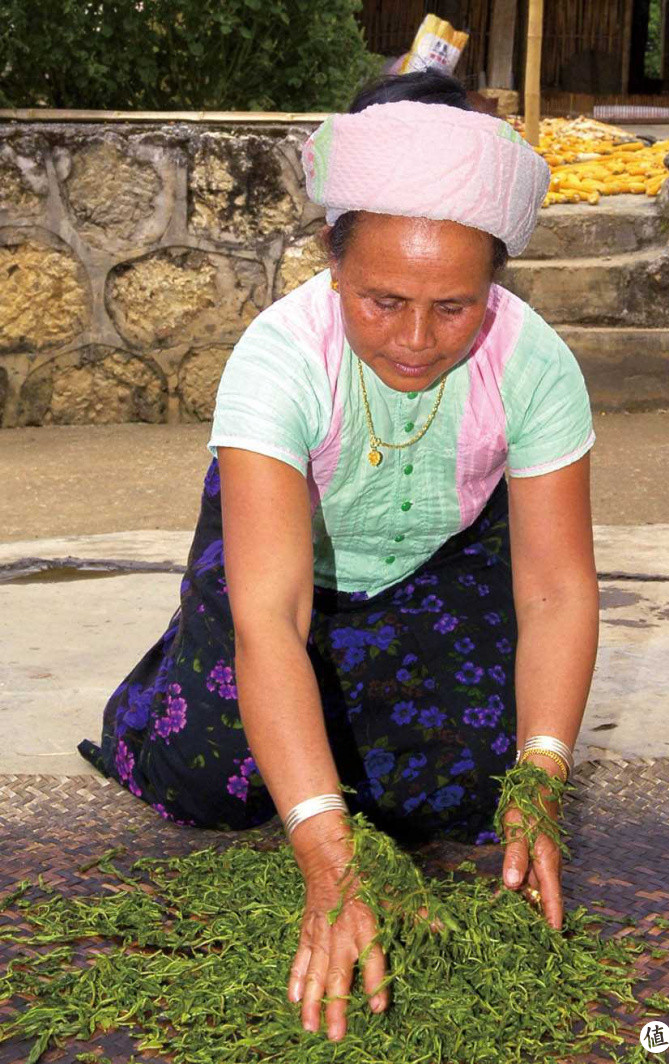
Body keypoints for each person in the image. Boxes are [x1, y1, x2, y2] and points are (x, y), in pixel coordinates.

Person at [78, 69, 600, 1042]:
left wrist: (542, 773)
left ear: (496, 277)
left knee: (468, 788)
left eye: (455, 306)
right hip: (284, 575)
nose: (415, 339)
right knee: (215, 776)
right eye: (383, 299)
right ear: (331, 255)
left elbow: (559, 587)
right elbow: (269, 616)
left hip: (438, 569)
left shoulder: (535, 366)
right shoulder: (279, 358)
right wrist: (327, 850)